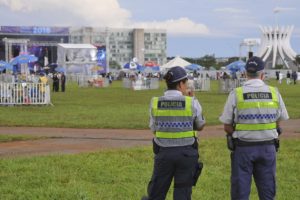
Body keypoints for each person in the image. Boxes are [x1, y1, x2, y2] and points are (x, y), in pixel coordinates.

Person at [219, 56, 289, 200]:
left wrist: (239, 131)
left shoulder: (236, 94)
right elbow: (279, 121)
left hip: (243, 148)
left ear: (245, 74)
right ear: (262, 74)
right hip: (268, 148)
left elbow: (226, 126)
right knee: (268, 192)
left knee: (240, 192)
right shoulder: (274, 92)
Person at [142, 66, 205, 200]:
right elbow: (200, 126)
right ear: (181, 84)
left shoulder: (155, 102)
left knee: (157, 192)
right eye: (186, 83)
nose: (186, 86)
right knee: (182, 193)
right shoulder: (191, 102)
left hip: (163, 153)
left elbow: (153, 129)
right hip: (186, 153)